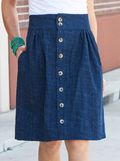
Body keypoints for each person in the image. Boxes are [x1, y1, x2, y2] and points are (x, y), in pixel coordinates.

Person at [1, 0, 106, 161]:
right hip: (41, 47)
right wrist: (16, 43)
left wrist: (95, 65)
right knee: (50, 140)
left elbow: (89, 10)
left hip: (80, 47)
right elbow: (8, 4)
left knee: (79, 139)